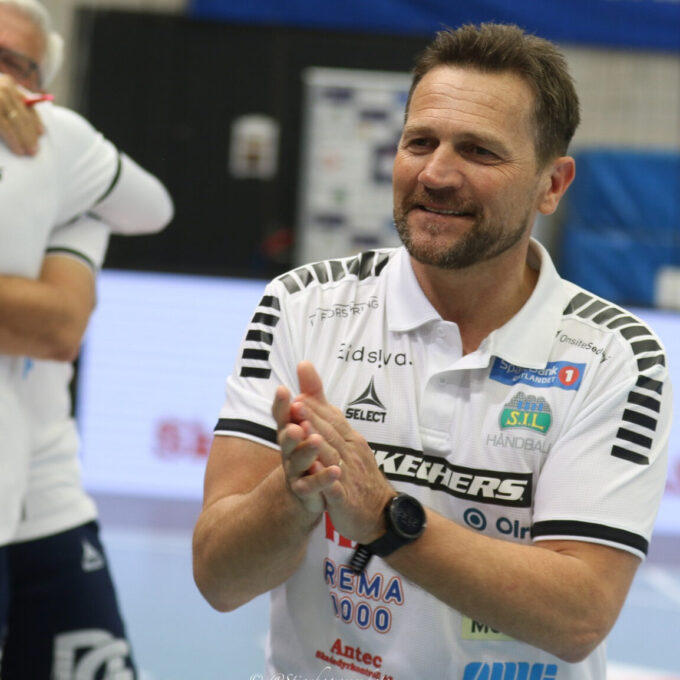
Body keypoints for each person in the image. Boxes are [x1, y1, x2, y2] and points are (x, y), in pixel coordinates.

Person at [192, 22, 672, 680]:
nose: (437, 173)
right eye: (420, 142)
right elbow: (219, 579)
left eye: (479, 151)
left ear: (552, 184)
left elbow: (578, 616)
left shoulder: (616, 356)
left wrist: (383, 517)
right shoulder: (301, 306)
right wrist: (297, 492)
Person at [0, 0, 174, 676]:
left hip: (44, 489)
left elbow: (58, 330)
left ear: (40, 86)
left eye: (11, 62)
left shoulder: (58, 158)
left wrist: (68, 212)